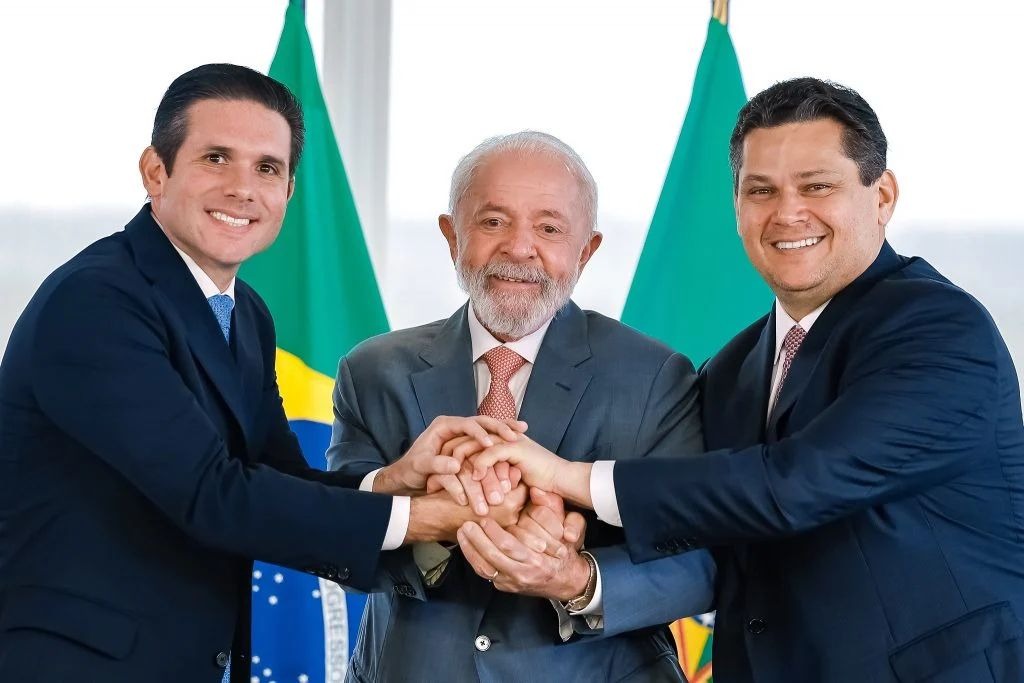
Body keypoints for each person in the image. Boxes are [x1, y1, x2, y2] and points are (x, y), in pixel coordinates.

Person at [466, 78, 1024, 682]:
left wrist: (563, 477)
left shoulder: (941, 328)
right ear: (737, 207)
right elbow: (694, 513)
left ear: (882, 195)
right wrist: (542, 532)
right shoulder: (730, 369)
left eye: (817, 186)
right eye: (761, 190)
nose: (787, 213)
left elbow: (797, 483)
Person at [0, 63, 518, 682]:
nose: (243, 189)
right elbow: (210, 494)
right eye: (216, 158)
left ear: (289, 191)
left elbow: (273, 475)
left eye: (267, 168)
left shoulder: (244, 313)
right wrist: (434, 517)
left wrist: (395, 483)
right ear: (156, 171)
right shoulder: (96, 300)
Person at [326, 131, 712, 682]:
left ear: (587, 251)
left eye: (549, 228)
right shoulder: (371, 371)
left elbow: (697, 563)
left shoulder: (656, 377)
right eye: (493, 221)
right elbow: (337, 547)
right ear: (451, 236)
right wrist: (438, 525)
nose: (518, 247)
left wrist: (574, 578)